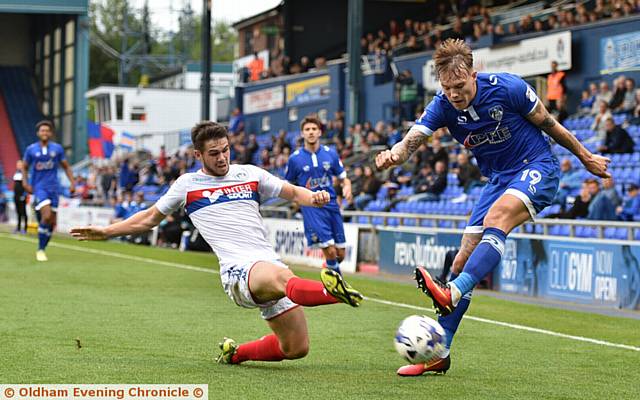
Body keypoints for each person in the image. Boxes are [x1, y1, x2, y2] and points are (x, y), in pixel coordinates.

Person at [375, 39, 610, 377]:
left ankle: (453, 292)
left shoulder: (508, 88)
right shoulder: (442, 105)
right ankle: (439, 352)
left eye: (459, 85)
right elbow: (412, 140)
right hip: (498, 180)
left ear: (474, 73)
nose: (454, 94)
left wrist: (585, 157)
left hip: (537, 167)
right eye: (447, 87)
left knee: (497, 219)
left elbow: (548, 124)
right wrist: (393, 156)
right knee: (462, 261)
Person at [70, 121, 363, 366]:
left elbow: (294, 193)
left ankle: (234, 354)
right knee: (282, 277)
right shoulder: (187, 185)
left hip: (266, 264)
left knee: (296, 348)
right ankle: (332, 292)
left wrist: (315, 197)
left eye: (225, 150)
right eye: (214, 153)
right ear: (198, 155)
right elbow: (148, 218)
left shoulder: (249, 173)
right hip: (238, 272)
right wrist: (107, 232)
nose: (222, 158)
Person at [285, 116, 352, 275]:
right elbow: (287, 184)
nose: (311, 132)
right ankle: (338, 287)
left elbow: (344, 178)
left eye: (314, 129)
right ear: (302, 133)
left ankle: (328, 270)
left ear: (320, 132)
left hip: (332, 205)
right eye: (307, 129)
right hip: (311, 207)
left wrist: (347, 187)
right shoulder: (295, 159)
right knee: (329, 249)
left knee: (340, 254)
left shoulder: (331, 154)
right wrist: (296, 200)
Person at [22, 120, 75, 261]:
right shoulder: (31, 149)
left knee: (51, 221)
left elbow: (66, 166)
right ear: (38, 133)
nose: (44, 133)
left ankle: (43, 247)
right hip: (39, 187)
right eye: (42, 130)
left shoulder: (57, 149)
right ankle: (40, 249)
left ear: (50, 133)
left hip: (54, 188)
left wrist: (72, 182)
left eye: (47, 130)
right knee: (46, 216)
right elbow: (24, 167)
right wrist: (25, 182)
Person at [13, 160, 28, 234]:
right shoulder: (16, 173)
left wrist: (24, 195)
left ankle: (25, 228)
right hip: (16, 195)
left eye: (20, 164)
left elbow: (26, 185)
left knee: (23, 212)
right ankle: (18, 227)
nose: (18, 166)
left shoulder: (24, 173)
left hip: (22, 196)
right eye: (17, 164)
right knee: (18, 212)